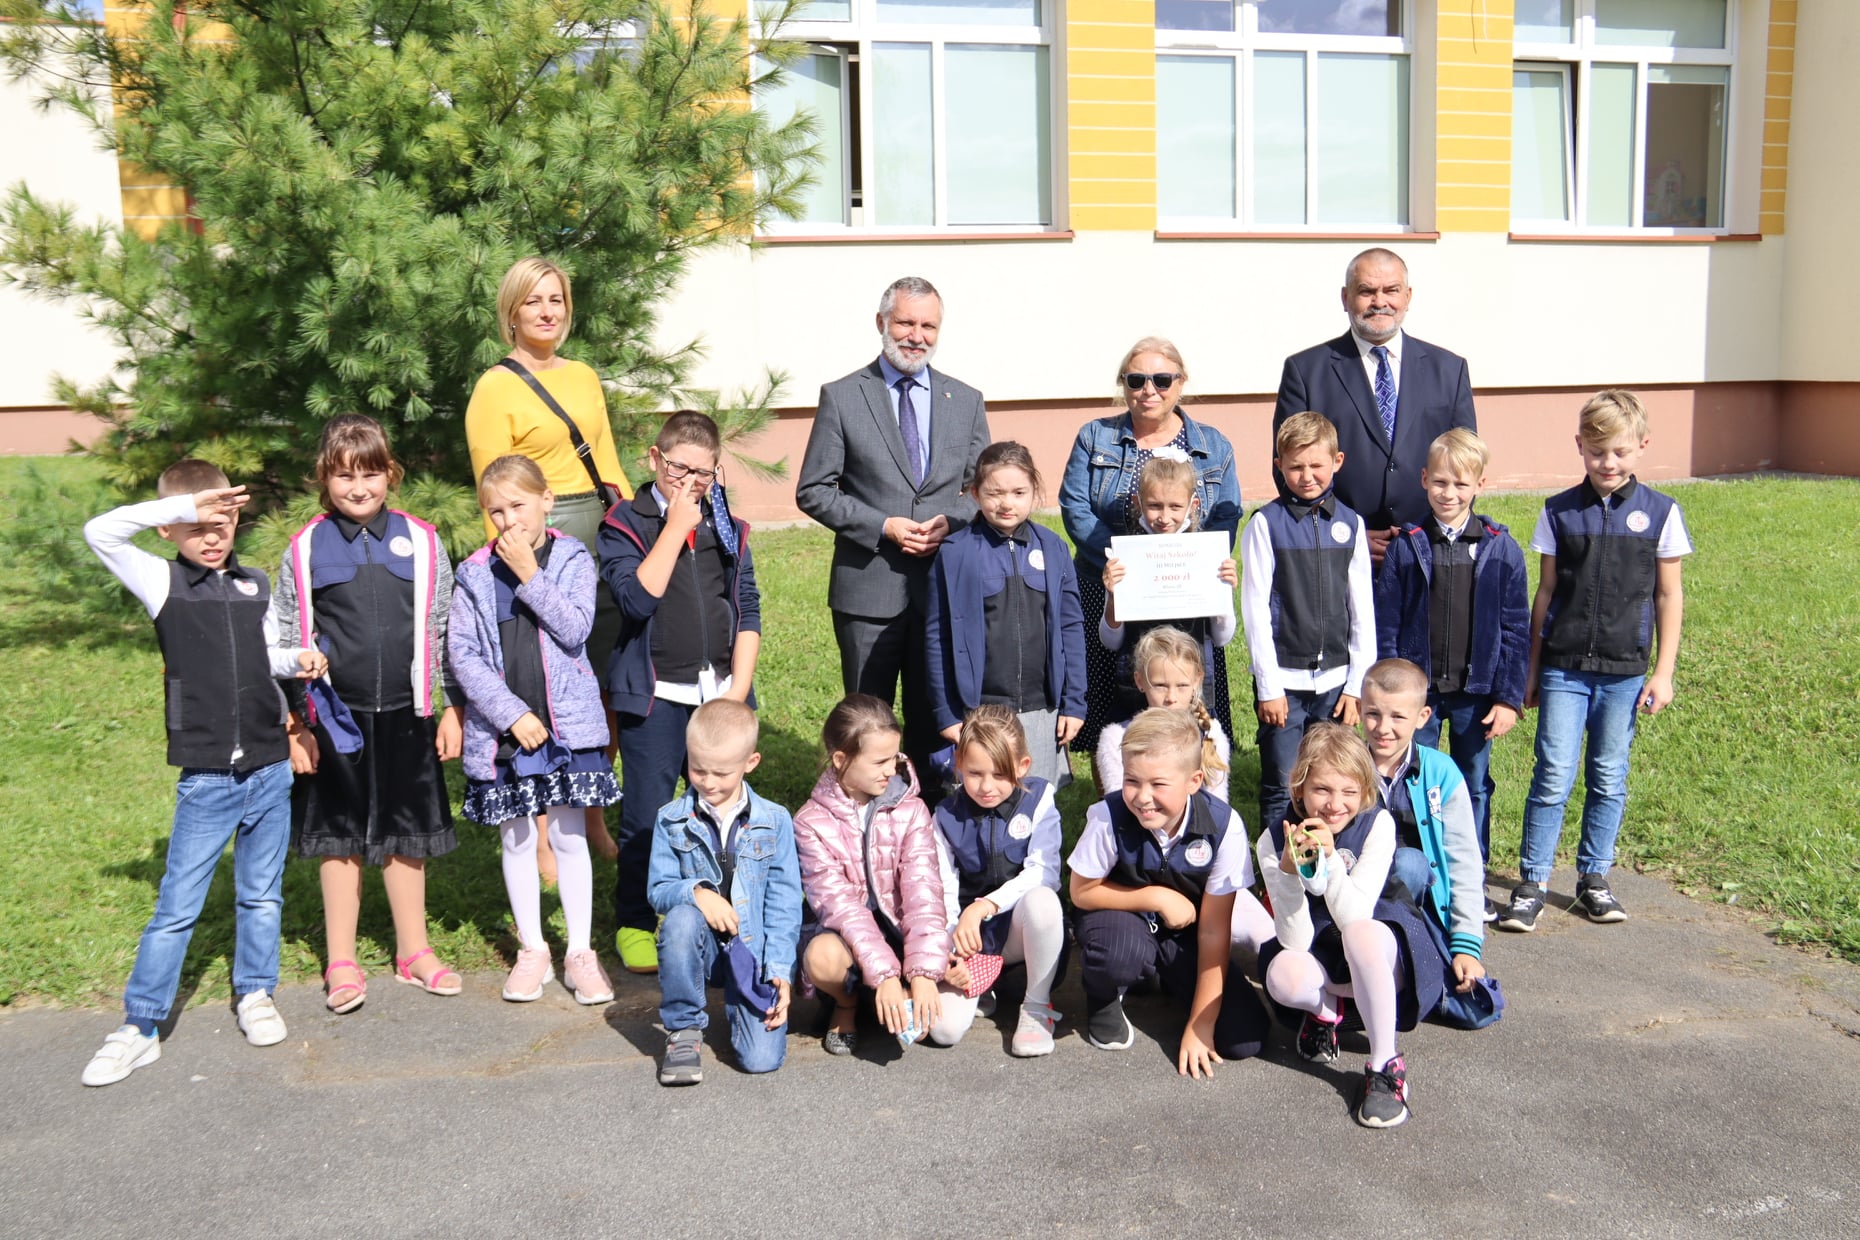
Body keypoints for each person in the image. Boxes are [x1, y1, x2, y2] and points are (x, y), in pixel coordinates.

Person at [80, 461, 326, 1086]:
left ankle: (255, 993)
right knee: (177, 906)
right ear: (171, 529)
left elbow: (263, 654)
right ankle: (140, 1026)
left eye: (224, 522)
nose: (213, 536)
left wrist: (295, 660)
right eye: (197, 525)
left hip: (270, 767)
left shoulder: (255, 584)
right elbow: (100, 531)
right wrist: (182, 505)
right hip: (208, 775)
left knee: (262, 894)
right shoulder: (161, 582)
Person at [276, 416, 465, 1012]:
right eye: (343, 475)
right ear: (324, 479)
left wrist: (452, 706)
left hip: (408, 714)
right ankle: (341, 959)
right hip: (335, 717)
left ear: (391, 474)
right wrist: (296, 723)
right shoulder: (306, 547)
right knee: (341, 838)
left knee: (407, 833)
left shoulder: (424, 541)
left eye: (371, 473)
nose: (358, 487)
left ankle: (413, 951)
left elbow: (445, 631)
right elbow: (285, 634)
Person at [1499, 390, 1692, 932]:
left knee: (1609, 775)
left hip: (1626, 672)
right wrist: (1532, 670)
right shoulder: (1558, 511)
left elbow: (1668, 596)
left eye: (1621, 452)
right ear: (1579, 447)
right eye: (1598, 451)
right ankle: (1532, 881)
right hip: (1563, 669)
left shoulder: (1661, 514)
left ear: (1642, 448)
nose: (1609, 463)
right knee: (1553, 774)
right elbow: (1546, 592)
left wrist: (1663, 672)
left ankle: (1593, 880)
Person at [466, 256, 631, 877]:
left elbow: (607, 460)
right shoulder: (495, 388)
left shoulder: (584, 375)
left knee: (600, 680)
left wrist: (628, 531)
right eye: (534, 301)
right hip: (534, 539)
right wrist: (511, 562)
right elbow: (495, 486)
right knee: (541, 682)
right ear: (512, 312)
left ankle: (589, 814)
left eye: (556, 300)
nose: (547, 311)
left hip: (596, 531)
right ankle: (538, 828)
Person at [796, 276, 992, 785]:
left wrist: (952, 519)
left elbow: (982, 489)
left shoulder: (965, 400)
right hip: (868, 592)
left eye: (929, 325)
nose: (916, 335)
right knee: (866, 724)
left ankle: (929, 822)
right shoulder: (843, 396)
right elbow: (814, 489)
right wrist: (881, 525)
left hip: (941, 588)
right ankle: (862, 821)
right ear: (882, 322)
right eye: (906, 322)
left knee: (936, 718)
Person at [448, 455, 620, 1005]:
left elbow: (575, 628)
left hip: (566, 726)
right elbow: (464, 656)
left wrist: (529, 572)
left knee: (570, 836)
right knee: (519, 838)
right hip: (508, 730)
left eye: (518, 505)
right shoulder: (474, 572)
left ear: (547, 500)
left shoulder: (571, 557)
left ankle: (580, 952)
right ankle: (533, 949)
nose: (507, 521)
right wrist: (511, 715)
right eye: (495, 511)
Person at [599, 410, 761, 975]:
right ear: (653, 459)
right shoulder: (625, 522)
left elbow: (747, 609)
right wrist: (674, 527)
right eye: (678, 469)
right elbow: (637, 601)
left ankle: (730, 917)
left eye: (704, 472)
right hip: (656, 697)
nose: (690, 482)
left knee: (725, 812)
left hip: (721, 694)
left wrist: (737, 692)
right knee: (647, 812)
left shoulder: (728, 526)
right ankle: (636, 920)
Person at [1060, 336, 1241, 778]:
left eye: (1162, 379)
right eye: (1137, 379)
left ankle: (1195, 776)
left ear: (1181, 383)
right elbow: (1075, 507)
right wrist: (1130, 561)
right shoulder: (1095, 437)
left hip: (1190, 597)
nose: (1149, 389)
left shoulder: (1213, 445)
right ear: (1123, 383)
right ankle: (1120, 779)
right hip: (1114, 582)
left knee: (1181, 685)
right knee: (1122, 691)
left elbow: (1225, 514)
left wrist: (1196, 566)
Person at [1256, 723, 1444, 1129]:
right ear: (1299, 788)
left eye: (1349, 792)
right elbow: (1296, 940)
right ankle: (1327, 1014)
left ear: (1364, 792)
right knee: (1283, 974)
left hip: (1378, 944)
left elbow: (1356, 915)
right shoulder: (1275, 839)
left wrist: (1331, 865)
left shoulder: (1377, 825)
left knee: (1360, 933)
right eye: (1322, 789)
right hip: (1321, 948)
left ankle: (1384, 1065)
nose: (1335, 805)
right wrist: (1289, 876)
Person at [1068, 709, 1273, 1077]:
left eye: (1158, 784)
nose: (1142, 797)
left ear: (1194, 780)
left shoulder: (1224, 827)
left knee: (1245, 1039)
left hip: (1187, 933)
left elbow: (1213, 930)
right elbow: (1081, 892)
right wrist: (1154, 897)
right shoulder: (1107, 815)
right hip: (1123, 921)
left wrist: (1201, 1023)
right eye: (1132, 780)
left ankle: (1164, 978)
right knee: (1119, 955)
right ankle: (1103, 996)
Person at [1373, 428, 1530, 875]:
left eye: (1461, 484)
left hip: (1475, 695)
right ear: (1424, 479)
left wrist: (1507, 699)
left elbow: (1517, 630)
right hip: (1417, 698)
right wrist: (1391, 690)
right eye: (1440, 482)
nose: (1449, 492)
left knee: (1472, 783)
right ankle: (1413, 870)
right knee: (1412, 780)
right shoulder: (1408, 545)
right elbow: (1388, 623)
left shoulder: (1501, 548)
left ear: (1480, 485)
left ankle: (1469, 873)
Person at [1272, 248, 1476, 564]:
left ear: (1408, 296)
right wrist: (1343, 533)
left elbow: (1466, 463)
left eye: (1391, 291)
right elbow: (1291, 466)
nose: (1379, 302)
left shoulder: (1449, 370)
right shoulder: (1306, 371)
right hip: (1337, 556)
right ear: (1345, 298)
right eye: (1366, 291)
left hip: (1427, 552)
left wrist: (1432, 533)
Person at [648, 700, 800, 1085]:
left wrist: (780, 970)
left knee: (760, 1060)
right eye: (698, 769)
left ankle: (746, 1005)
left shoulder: (775, 821)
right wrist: (697, 892)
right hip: (704, 949)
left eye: (721, 772)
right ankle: (684, 1028)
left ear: (751, 763)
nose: (709, 781)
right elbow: (658, 889)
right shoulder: (671, 819)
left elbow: (783, 903)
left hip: (753, 952)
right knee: (681, 920)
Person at [1241, 411, 1375, 838]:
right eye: (1295, 466)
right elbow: (1255, 609)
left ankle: (1329, 873)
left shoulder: (1351, 524)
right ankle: (1276, 880)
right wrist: (1269, 686)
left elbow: (1362, 611)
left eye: (1316, 465)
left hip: (1336, 684)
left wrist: (1357, 685)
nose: (1306, 476)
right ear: (1279, 465)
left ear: (1337, 461)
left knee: (1329, 784)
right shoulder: (1266, 524)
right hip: (1285, 682)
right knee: (1283, 783)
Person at [794, 694, 952, 1056]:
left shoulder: (912, 810)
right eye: (879, 761)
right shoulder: (810, 823)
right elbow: (841, 908)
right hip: (849, 944)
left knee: (943, 1030)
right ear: (841, 759)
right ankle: (846, 1002)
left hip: (900, 938)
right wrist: (883, 976)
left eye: (895, 758)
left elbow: (923, 892)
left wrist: (924, 973)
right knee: (821, 956)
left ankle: (899, 994)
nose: (890, 770)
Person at [924, 441, 1085, 788]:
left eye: (1018, 492)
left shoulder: (1054, 549)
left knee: (1038, 800)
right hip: (980, 709)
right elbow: (937, 636)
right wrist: (947, 712)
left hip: (1042, 707)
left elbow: (1071, 627)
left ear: (1034, 491)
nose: (1007, 503)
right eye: (995, 493)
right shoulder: (955, 553)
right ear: (974, 493)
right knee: (984, 793)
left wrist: (1073, 704)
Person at [928, 706, 1067, 1056]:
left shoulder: (1039, 798)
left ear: (1022, 767)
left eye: (1000, 774)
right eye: (974, 773)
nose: (987, 787)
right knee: (943, 1031)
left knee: (1043, 901)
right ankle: (982, 984)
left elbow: (1044, 871)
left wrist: (985, 906)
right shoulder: (944, 815)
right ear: (958, 763)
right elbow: (941, 887)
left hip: (1022, 933)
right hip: (970, 940)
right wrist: (949, 950)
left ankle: (1036, 1006)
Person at [1357, 659, 1488, 996]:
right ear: (1359, 709)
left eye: (1398, 717)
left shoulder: (1442, 773)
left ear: (1423, 718)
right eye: (1373, 714)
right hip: (1356, 900)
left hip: (1420, 906)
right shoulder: (1345, 765)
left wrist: (1467, 946)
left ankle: (1409, 960)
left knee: (1412, 863)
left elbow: (1464, 861)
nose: (1383, 728)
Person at [1099, 454, 1238, 720]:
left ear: (1192, 504)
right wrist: (1114, 597)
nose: (1164, 517)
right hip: (1139, 688)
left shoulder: (1206, 555)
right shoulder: (1125, 557)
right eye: (1154, 506)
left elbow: (1222, 637)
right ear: (1138, 504)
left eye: (1175, 506)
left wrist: (1222, 594)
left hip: (1190, 690)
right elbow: (1110, 640)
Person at [1094, 625, 1232, 803]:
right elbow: (1120, 808)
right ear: (1139, 681)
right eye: (1160, 686)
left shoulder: (1212, 736)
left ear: (1197, 681)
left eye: (1182, 686)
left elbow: (1217, 807)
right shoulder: (1116, 740)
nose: (1171, 698)